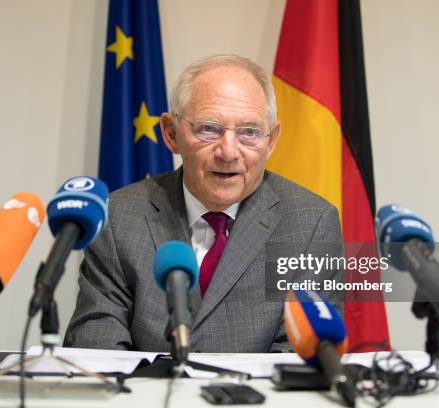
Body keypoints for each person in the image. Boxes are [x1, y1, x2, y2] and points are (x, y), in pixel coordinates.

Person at [64, 55, 343, 352]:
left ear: (271, 140)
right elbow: (95, 342)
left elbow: (299, 357)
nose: (229, 152)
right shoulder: (118, 217)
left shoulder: (310, 224)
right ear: (171, 134)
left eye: (249, 132)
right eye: (209, 128)